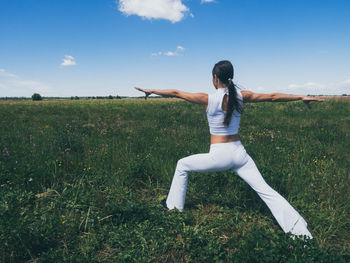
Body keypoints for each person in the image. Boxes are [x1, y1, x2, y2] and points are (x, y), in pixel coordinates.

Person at [135, 60, 323, 239]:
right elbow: (273, 97)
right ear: (230, 77)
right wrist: (300, 97)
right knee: (266, 191)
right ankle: (301, 233)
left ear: (215, 79)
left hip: (220, 155)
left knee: (182, 165)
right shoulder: (242, 96)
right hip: (239, 154)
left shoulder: (207, 98)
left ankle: (173, 208)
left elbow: (175, 92)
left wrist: (151, 91)